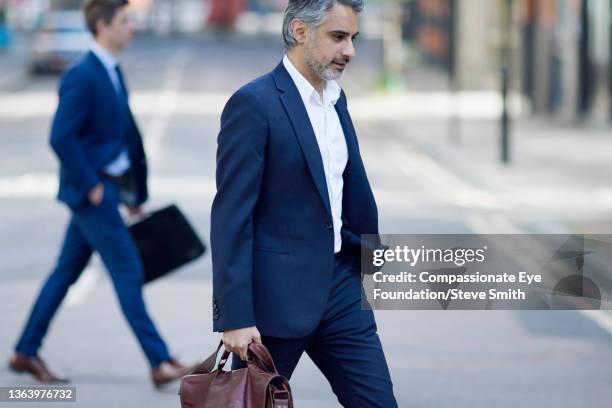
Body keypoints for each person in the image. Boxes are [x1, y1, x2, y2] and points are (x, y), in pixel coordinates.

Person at [210, 0, 398, 406]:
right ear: (300, 31)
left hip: (341, 288)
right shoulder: (255, 104)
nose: (350, 50)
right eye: (338, 37)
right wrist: (236, 317)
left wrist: (362, 258)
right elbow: (232, 216)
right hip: (276, 300)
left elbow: (346, 188)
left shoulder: (336, 99)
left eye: (353, 38)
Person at [9, 0, 192, 389]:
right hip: (94, 194)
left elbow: (123, 135)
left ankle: (25, 350)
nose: (132, 28)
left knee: (65, 272)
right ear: (104, 25)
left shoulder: (110, 69)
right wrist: (91, 183)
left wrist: (134, 191)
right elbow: (61, 135)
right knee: (128, 270)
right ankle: (159, 360)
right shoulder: (83, 74)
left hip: (109, 190)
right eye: (126, 22)